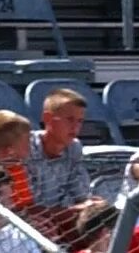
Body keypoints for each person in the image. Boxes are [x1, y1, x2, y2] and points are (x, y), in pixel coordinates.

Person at [17, 85, 100, 242]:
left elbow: (80, 195)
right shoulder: (25, 148)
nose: (75, 127)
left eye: (80, 121)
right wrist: (72, 211)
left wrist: (92, 206)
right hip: (28, 224)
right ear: (47, 119)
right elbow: (27, 208)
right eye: (69, 120)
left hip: (65, 220)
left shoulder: (74, 147)